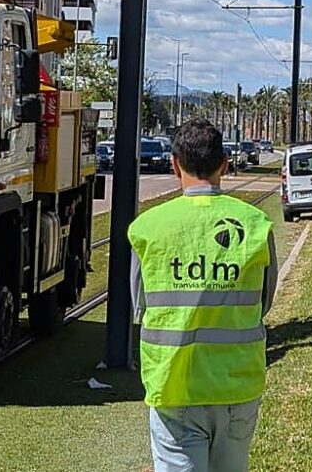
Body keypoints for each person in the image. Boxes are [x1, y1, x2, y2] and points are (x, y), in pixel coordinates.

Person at [128, 119, 277, 472]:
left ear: (174, 163)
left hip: (175, 385)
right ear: (224, 163)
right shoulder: (256, 225)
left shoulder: (147, 229)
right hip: (238, 386)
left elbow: (140, 306)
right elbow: (263, 304)